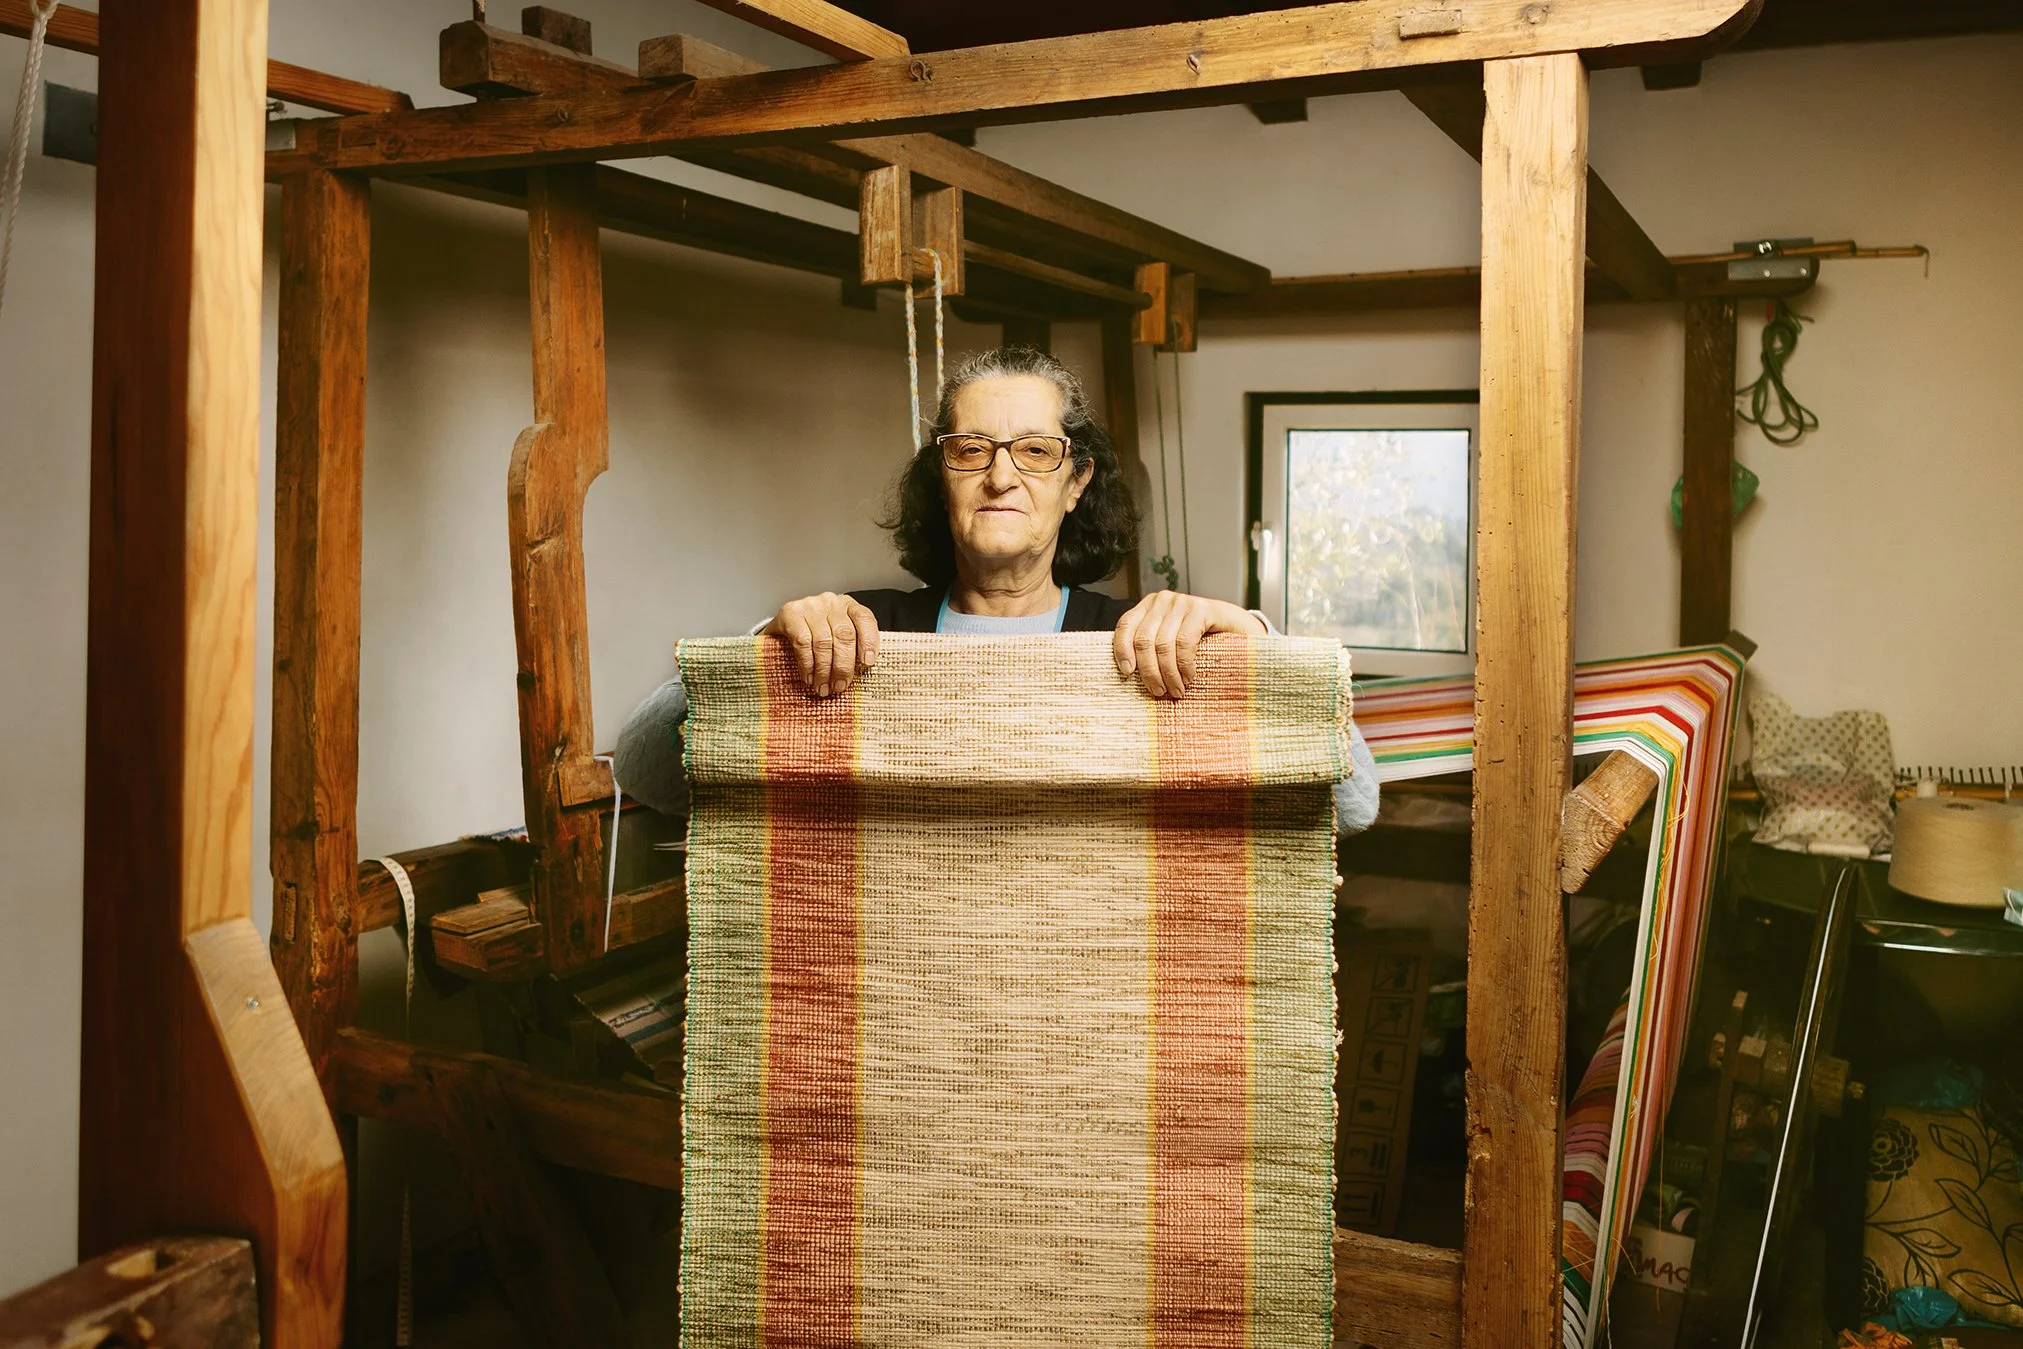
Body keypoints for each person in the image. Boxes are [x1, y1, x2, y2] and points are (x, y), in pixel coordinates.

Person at [615, 345, 1377, 830]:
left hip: (1092, 1004)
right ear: (941, 476)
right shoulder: (857, 636)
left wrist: (1255, 642)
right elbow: (644, 773)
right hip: (898, 1004)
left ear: (1075, 482)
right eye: (971, 448)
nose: (1001, 476)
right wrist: (763, 649)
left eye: (1036, 451)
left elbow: (1350, 805)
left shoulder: (1144, 644)